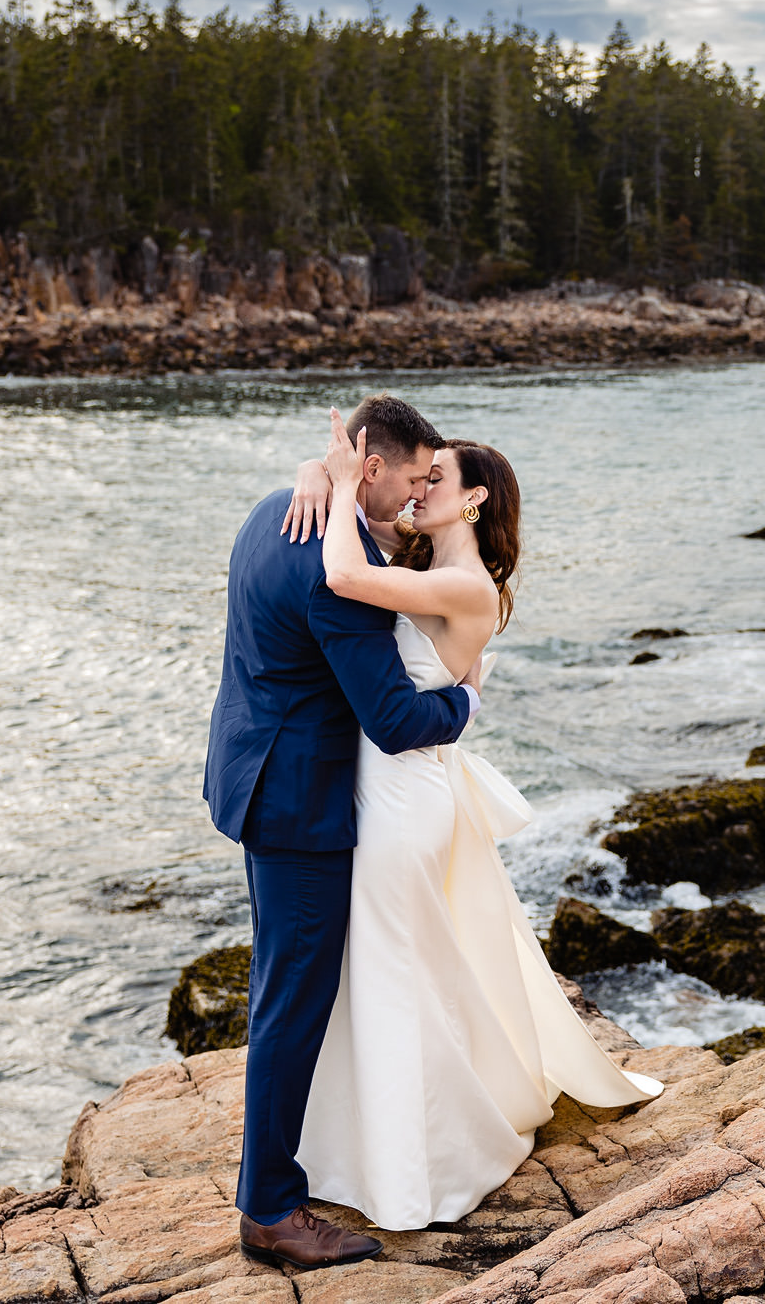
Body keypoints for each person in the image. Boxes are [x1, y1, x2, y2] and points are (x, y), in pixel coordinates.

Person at [279, 407, 661, 1233]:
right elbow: (363, 544)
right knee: (385, 970)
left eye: (436, 479)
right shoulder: (421, 560)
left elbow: (341, 575)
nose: (418, 489)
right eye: (417, 477)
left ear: (475, 498)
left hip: (400, 802)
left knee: (392, 974)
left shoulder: (464, 585)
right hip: (382, 789)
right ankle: (359, 1150)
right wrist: (318, 474)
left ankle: (412, 1168)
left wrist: (340, 481)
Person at [203, 393, 478, 1269]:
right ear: (369, 467)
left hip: (248, 772)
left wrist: (321, 477)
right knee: (292, 1002)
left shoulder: (271, 514)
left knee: (275, 984)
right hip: (300, 809)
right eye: (406, 478)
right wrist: (466, 701)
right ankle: (271, 1210)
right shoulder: (340, 570)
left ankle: (276, 1169)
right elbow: (395, 719)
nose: (412, 495)